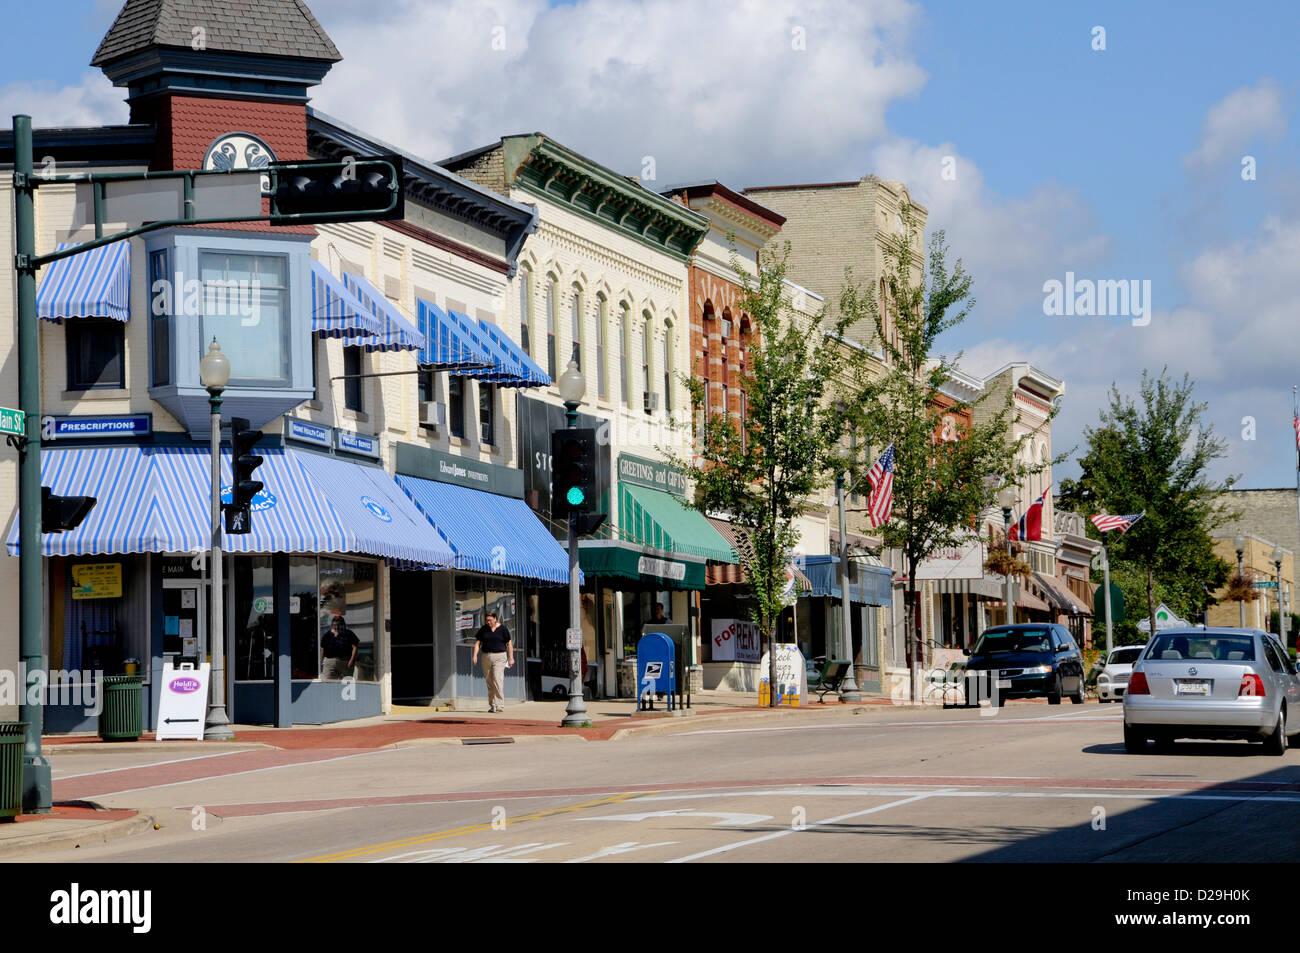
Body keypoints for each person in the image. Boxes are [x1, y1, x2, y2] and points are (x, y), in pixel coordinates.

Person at [472, 609, 514, 712]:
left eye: (490, 620)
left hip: (500, 657)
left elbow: (509, 644)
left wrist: (511, 658)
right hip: (486, 656)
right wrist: (475, 655)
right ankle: (492, 705)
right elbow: (478, 643)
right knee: (489, 681)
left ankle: (500, 704)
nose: (488, 622)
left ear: (495, 619)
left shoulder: (503, 629)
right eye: (487, 620)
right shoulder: (483, 629)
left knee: (497, 679)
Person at [320, 615, 359, 681]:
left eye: (339, 625)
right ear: (332, 625)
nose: (336, 627)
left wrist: (351, 660)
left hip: (345, 662)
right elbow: (322, 649)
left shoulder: (348, 633)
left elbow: (355, 647)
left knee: (347, 682)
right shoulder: (327, 635)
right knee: (328, 682)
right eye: (334, 625)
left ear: (343, 625)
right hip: (330, 662)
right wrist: (320, 661)